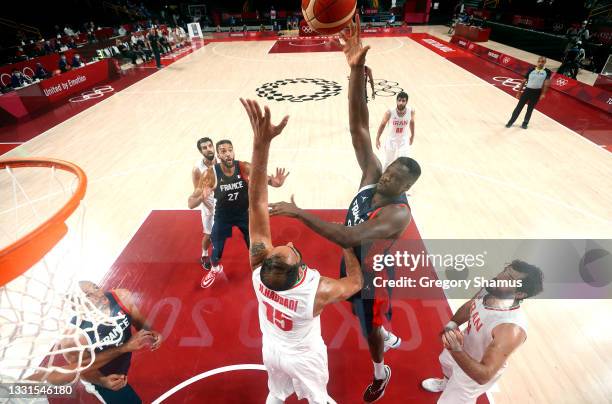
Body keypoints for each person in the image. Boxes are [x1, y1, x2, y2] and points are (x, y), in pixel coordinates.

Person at [270, 15, 421, 402]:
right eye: (387, 173)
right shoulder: (373, 172)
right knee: (354, 312)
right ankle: (383, 332)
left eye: (394, 180)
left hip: (372, 275)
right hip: (351, 259)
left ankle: (380, 369)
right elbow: (359, 128)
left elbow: (350, 235)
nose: (385, 178)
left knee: (367, 328)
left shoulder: (397, 214)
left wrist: (300, 213)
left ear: (406, 188)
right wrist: (354, 73)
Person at [240, 97, 363, 404]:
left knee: (276, 394)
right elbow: (356, 283)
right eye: (293, 250)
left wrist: (261, 144)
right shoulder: (317, 290)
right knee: (319, 398)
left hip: (271, 350)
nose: (292, 243)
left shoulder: (259, 272)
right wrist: (346, 245)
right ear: (301, 273)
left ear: (266, 259)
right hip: (303, 357)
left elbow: (256, 203)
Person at [422, 260, 544, 404]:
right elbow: (471, 306)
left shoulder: (510, 328)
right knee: (446, 362)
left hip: (476, 370)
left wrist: (456, 350)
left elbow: (483, 375)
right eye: (505, 271)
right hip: (463, 344)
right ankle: (446, 383)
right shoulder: (491, 290)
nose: (500, 277)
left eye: (510, 279)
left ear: (519, 293)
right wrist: (452, 324)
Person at [196, 139, 289, 288]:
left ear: (233, 151)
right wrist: (201, 194)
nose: (228, 154)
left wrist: (274, 182)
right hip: (222, 216)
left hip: (244, 214)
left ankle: (262, 270)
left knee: (255, 246)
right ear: (218, 155)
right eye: (223, 151)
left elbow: (263, 177)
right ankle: (215, 268)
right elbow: (193, 198)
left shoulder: (244, 166)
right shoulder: (212, 173)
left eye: (230, 150)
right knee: (217, 249)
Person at [71, 281, 163, 403]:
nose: (98, 294)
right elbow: (82, 369)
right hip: (103, 374)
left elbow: (137, 319)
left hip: (121, 365)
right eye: (88, 295)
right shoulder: (75, 335)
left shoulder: (121, 298)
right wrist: (101, 381)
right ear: (78, 306)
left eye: (96, 287)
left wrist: (150, 331)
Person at [188, 137, 217, 270]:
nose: (208, 149)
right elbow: (197, 191)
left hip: (222, 199)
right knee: (209, 234)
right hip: (208, 203)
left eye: (210, 146)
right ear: (201, 151)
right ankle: (204, 254)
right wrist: (205, 200)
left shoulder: (221, 160)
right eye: (204, 148)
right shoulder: (197, 169)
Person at [505, 56, 551, 129]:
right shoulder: (531, 69)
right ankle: (511, 121)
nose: (540, 63)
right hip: (527, 91)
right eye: (539, 61)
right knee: (518, 107)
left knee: (530, 109)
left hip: (536, 92)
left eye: (542, 62)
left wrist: (543, 93)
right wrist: (519, 91)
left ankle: (525, 123)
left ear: (545, 63)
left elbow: (546, 83)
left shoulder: (547, 72)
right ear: (537, 62)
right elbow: (524, 81)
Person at [375, 91, 415, 170]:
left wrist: (412, 136)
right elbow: (382, 125)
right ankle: (383, 179)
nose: (401, 102)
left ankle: (399, 180)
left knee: (403, 161)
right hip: (391, 139)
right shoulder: (389, 112)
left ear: (406, 102)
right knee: (388, 161)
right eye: (399, 100)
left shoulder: (411, 111)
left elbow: (412, 123)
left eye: (403, 101)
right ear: (396, 101)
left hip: (404, 139)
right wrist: (377, 138)